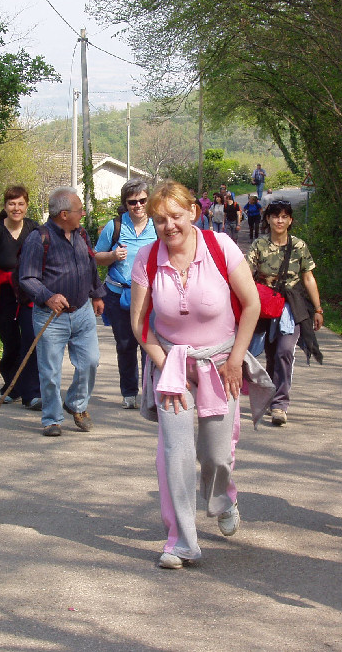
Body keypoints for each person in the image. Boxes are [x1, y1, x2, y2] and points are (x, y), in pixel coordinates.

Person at [130, 179, 271, 570]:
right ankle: (180, 541)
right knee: (173, 453)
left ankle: (224, 496)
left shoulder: (220, 247)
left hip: (221, 362)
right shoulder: (146, 258)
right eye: (160, 220)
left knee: (216, 453)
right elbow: (140, 324)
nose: (169, 226)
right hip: (172, 363)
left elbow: (252, 305)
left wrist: (235, 360)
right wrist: (166, 367)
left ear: (193, 212)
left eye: (175, 216)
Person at [18, 187, 105, 437]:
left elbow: (90, 265)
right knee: (50, 370)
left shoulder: (81, 234)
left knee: (90, 361)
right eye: (80, 210)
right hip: (50, 317)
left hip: (83, 312)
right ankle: (52, 419)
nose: (84, 214)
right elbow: (27, 278)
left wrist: (97, 293)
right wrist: (48, 296)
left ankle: (76, 404)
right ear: (64, 214)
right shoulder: (38, 239)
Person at [247, 200, 324, 426]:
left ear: (290, 220)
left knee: (284, 351)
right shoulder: (259, 245)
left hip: (291, 305)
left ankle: (280, 404)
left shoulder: (299, 246)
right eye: (275, 216)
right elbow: (246, 273)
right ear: (268, 219)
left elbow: (308, 277)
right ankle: (271, 396)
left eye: (284, 216)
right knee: (271, 354)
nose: (279, 220)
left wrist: (318, 309)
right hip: (266, 306)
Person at [0, 186, 42, 410]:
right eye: (12, 204)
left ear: (26, 205)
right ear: (5, 206)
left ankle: (32, 393)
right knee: (11, 343)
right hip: (2, 294)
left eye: (20, 204)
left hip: (27, 291)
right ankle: (11, 386)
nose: (16, 208)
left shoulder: (34, 228)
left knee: (31, 339)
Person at [94, 178, 157, 409]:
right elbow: (96, 256)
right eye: (132, 202)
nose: (138, 206)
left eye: (142, 200)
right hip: (119, 295)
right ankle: (129, 393)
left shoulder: (157, 225)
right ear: (125, 203)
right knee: (125, 345)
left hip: (150, 296)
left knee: (149, 346)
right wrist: (112, 256)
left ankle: (150, 394)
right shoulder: (115, 226)